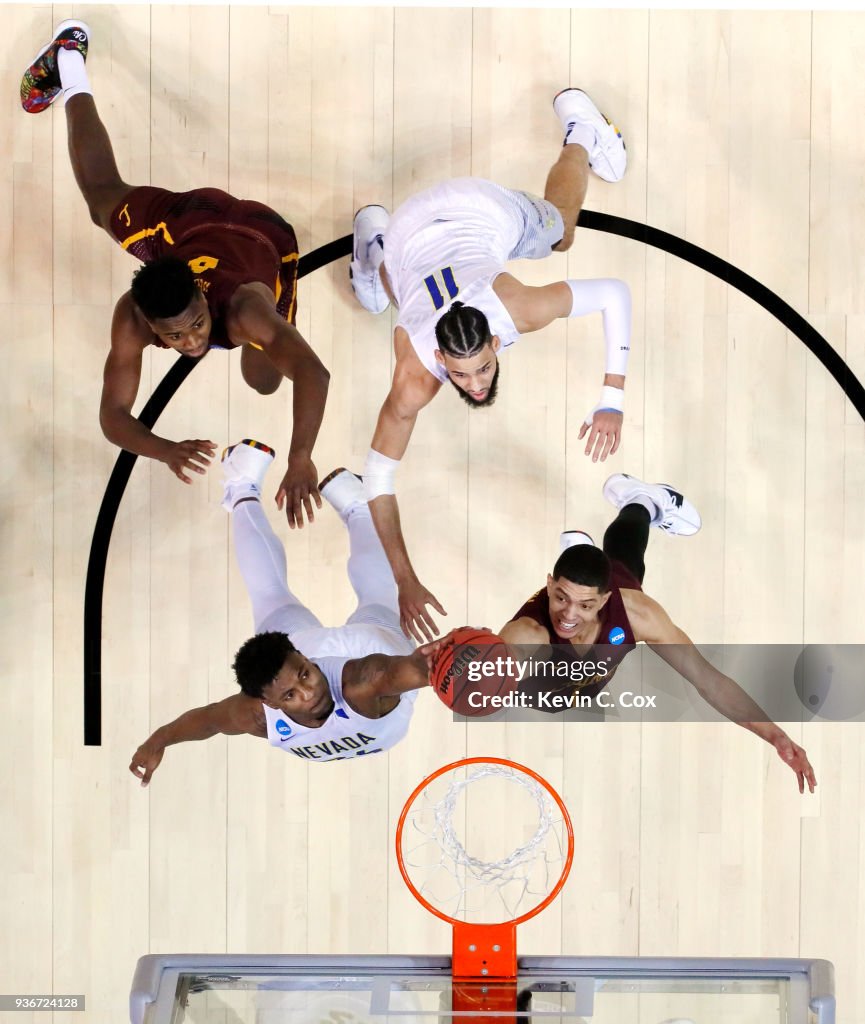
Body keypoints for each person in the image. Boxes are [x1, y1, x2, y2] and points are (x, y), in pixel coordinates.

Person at [349, 87, 631, 640]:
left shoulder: (516, 309)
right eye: (462, 374)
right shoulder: (414, 379)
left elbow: (615, 293)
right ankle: (378, 238)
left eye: (480, 368)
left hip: (475, 212)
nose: (476, 385)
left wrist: (612, 400)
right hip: (417, 227)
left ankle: (581, 132)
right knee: (411, 286)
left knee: (558, 232)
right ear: (438, 359)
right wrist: (404, 580)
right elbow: (376, 480)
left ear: (495, 343)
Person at [21, 21, 329, 527]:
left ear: (206, 303)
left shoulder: (247, 309)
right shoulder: (132, 319)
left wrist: (301, 457)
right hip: (195, 220)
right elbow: (112, 417)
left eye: (196, 326)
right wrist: (163, 449)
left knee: (265, 379)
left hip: (265, 237)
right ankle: (68, 63)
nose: (190, 343)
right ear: (148, 321)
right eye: (175, 335)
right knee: (101, 201)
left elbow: (314, 374)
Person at [129, 441, 442, 785]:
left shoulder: (364, 681)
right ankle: (247, 480)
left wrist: (482, 661)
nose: (309, 694)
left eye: (304, 677)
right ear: (270, 703)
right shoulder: (256, 712)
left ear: (304, 659)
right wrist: (159, 739)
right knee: (279, 597)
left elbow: (424, 667)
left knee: (372, 599)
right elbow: (210, 721)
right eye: (291, 695)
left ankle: (350, 501)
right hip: (323, 651)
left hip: (364, 651)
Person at [500, 473, 817, 794]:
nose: (568, 615)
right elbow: (491, 662)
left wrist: (775, 734)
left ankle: (641, 501)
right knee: (613, 571)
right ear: (550, 585)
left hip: (596, 643)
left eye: (585, 605)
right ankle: (583, 551)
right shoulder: (529, 633)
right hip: (549, 688)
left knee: (627, 564)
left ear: (606, 599)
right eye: (561, 597)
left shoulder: (634, 612)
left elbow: (709, 680)